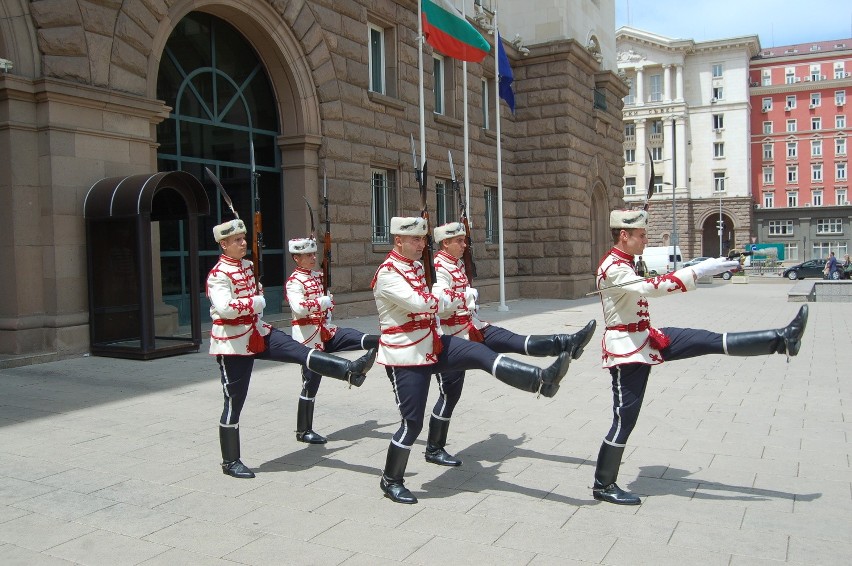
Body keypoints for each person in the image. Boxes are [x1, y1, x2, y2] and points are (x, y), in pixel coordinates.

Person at [592, 209, 808, 505]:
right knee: (624, 420)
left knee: (706, 340)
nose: (646, 239)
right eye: (641, 235)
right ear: (623, 236)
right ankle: (603, 485)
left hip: (647, 338)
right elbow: (648, 288)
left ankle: (782, 339)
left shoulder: (625, 261)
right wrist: (698, 271)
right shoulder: (613, 267)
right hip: (626, 350)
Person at [372, 217, 575, 504]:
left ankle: (540, 380)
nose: (421, 245)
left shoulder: (416, 266)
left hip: (432, 344)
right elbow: (426, 304)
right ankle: (391, 479)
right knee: (411, 424)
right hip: (406, 356)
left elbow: (435, 300)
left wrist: (447, 297)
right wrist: (452, 297)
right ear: (398, 241)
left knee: (480, 354)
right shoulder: (388, 274)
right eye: (415, 240)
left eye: (422, 239)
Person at [208, 219, 376, 479]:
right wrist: (256, 301)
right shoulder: (218, 275)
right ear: (223, 244)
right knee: (234, 400)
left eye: (244, 238)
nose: (243, 243)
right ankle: (230, 461)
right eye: (237, 240)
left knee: (301, 354)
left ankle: (349, 371)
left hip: (258, 332)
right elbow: (225, 307)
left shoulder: (247, 267)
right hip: (232, 343)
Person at [427, 221, 596, 466]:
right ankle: (434, 448)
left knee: (514, 340)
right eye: (460, 241)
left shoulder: (457, 263)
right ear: (446, 243)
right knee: (449, 395)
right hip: (453, 339)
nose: (465, 245)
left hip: (474, 328)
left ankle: (567, 343)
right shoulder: (439, 267)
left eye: (464, 240)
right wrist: (465, 296)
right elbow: (440, 302)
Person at [285, 237, 380, 444]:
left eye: (313, 254)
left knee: (355, 337)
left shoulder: (316, 277)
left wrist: (326, 303)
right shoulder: (294, 281)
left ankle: (381, 343)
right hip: (309, 337)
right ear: (296, 258)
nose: (313, 258)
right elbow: (299, 308)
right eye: (308, 255)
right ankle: (304, 431)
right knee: (311, 382)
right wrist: (322, 302)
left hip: (326, 331)